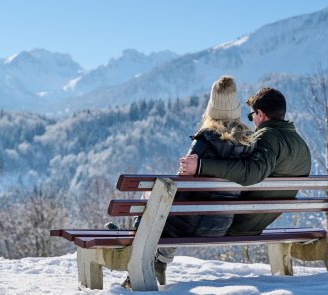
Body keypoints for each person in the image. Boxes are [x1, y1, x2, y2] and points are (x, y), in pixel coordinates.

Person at [119, 76, 256, 288]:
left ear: (212, 107)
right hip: (223, 223)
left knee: (156, 204)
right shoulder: (247, 142)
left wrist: (155, 198)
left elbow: (180, 185)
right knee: (166, 210)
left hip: (197, 222)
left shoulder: (206, 140)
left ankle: (134, 259)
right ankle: (159, 262)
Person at [178, 87, 312, 236]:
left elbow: (251, 172)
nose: (252, 121)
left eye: (251, 116)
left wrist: (201, 166)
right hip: (257, 223)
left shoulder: (268, 137)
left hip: (236, 223)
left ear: (260, 114)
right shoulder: (302, 146)